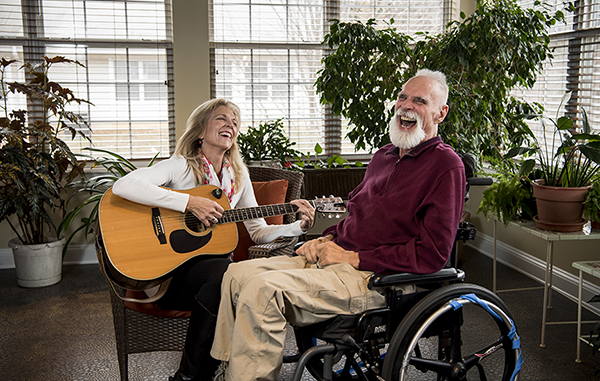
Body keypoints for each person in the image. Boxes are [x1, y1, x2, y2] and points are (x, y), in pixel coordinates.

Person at [209, 69, 467, 381]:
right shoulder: (384, 156)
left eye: (420, 100)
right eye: (402, 97)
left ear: (441, 112)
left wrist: (354, 258)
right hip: (338, 260)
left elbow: (432, 254)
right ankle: (227, 371)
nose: (406, 105)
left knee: (264, 291)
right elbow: (359, 212)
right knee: (235, 274)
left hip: (379, 278)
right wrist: (327, 238)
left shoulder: (446, 166)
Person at [111, 98, 315, 381]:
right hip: (169, 276)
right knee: (224, 275)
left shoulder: (238, 177)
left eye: (234, 122)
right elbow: (124, 185)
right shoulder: (181, 166)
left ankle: (189, 377)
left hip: (214, 279)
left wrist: (296, 227)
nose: (230, 125)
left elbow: (258, 232)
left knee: (225, 275)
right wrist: (188, 203)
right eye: (221, 118)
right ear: (199, 131)